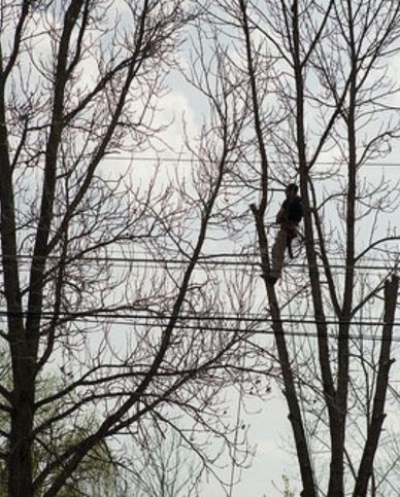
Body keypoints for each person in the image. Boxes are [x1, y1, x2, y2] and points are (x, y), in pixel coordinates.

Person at [265, 183, 303, 285]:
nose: (285, 193)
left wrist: (279, 219)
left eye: (287, 191)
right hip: (292, 229)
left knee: (277, 250)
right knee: (277, 250)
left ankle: (274, 275)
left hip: (287, 229)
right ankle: (274, 273)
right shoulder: (301, 202)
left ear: (291, 191)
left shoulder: (289, 201)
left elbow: (279, 215)